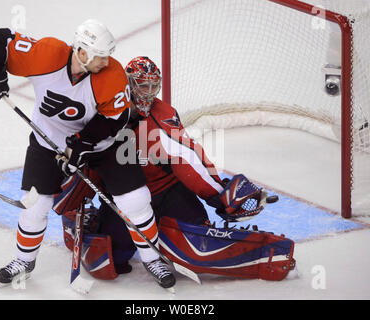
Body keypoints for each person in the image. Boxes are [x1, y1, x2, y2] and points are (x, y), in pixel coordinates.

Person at [0, 21, 175, 289]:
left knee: (135, 200)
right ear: (82, 51)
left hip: (104, 145)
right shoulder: (46, 54)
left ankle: (153, 259)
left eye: (108, 55)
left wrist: (81, 145)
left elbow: (115, 121)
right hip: (48, 144)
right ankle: (24, 261)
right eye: (100, 55)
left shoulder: (112, 74)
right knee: (34, 204)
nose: (106, 61)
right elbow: (0, 38)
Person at [54, 56, 272, 280]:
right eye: (142, 85)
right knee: (111, 260)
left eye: (153, 86)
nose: (149, 93)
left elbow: (188, 158)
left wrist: (220, 194)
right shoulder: (101, 110)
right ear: (127, 84)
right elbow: (82, 150)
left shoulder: (163, 115)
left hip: (168, 191)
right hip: (122, 197)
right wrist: (77, 183)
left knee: (200, 239)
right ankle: (87, 219)